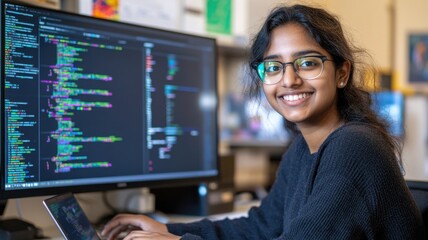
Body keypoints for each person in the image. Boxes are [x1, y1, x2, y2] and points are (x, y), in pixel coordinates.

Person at [101, 4, 426, 240]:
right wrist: (169, 229)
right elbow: (261, 227)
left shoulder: (354, 147)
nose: (289, 79)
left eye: (308, 63)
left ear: (341, 73)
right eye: (273, 67)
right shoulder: (304, 147)